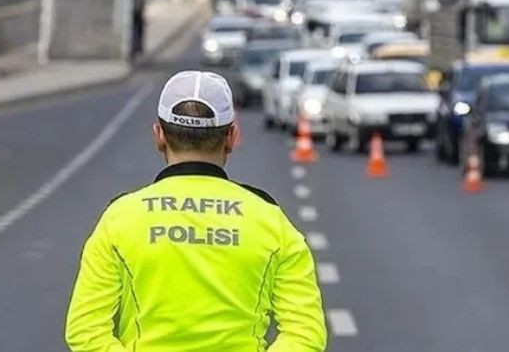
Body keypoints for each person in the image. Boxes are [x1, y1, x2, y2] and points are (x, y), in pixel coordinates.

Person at [65, 70, 327, 351]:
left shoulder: (120, 219)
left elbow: (85, 331)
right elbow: (305, 334)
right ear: (232, 137)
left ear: (159, 136)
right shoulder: (271, 221)